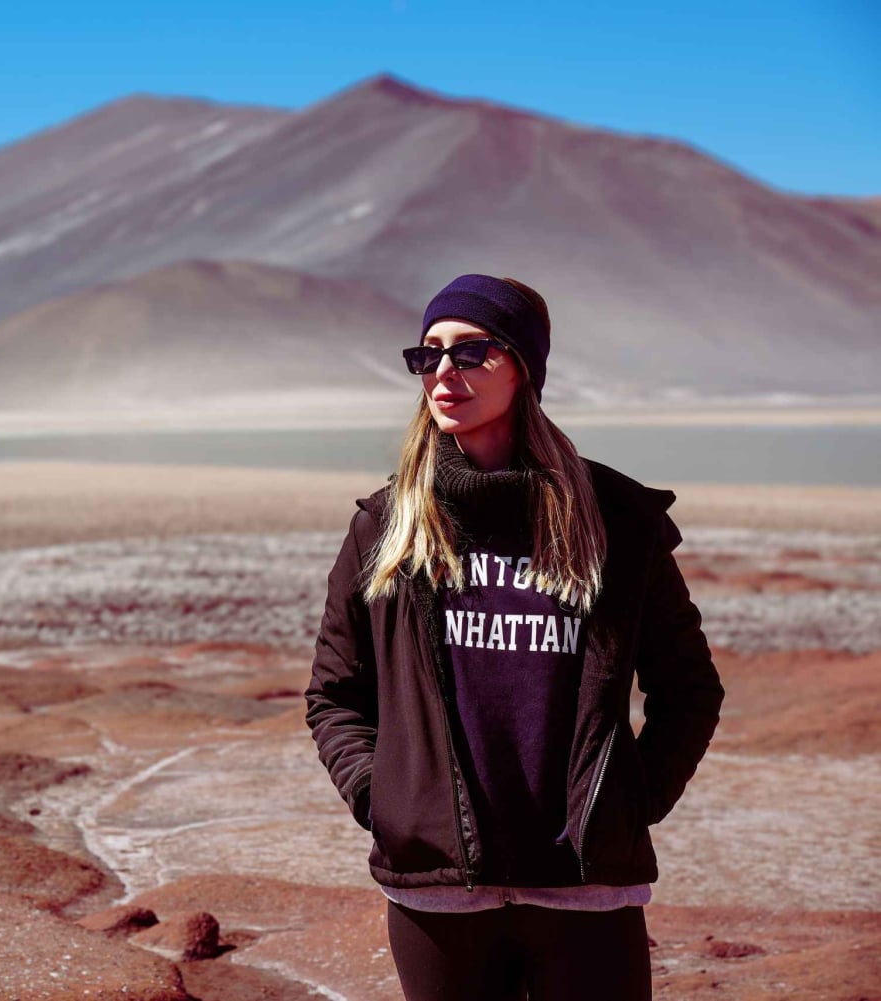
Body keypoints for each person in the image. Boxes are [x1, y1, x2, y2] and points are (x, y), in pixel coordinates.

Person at [304, 273, 724, 1000]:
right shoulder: (387, 526)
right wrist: (387, 797)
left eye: (472, 352)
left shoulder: (615, 522)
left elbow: (689, 688)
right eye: (428, 353)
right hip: (439, 899)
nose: (443, 372)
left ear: (523, 367)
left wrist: (632, 798)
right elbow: (335, 693)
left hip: (583, 892)